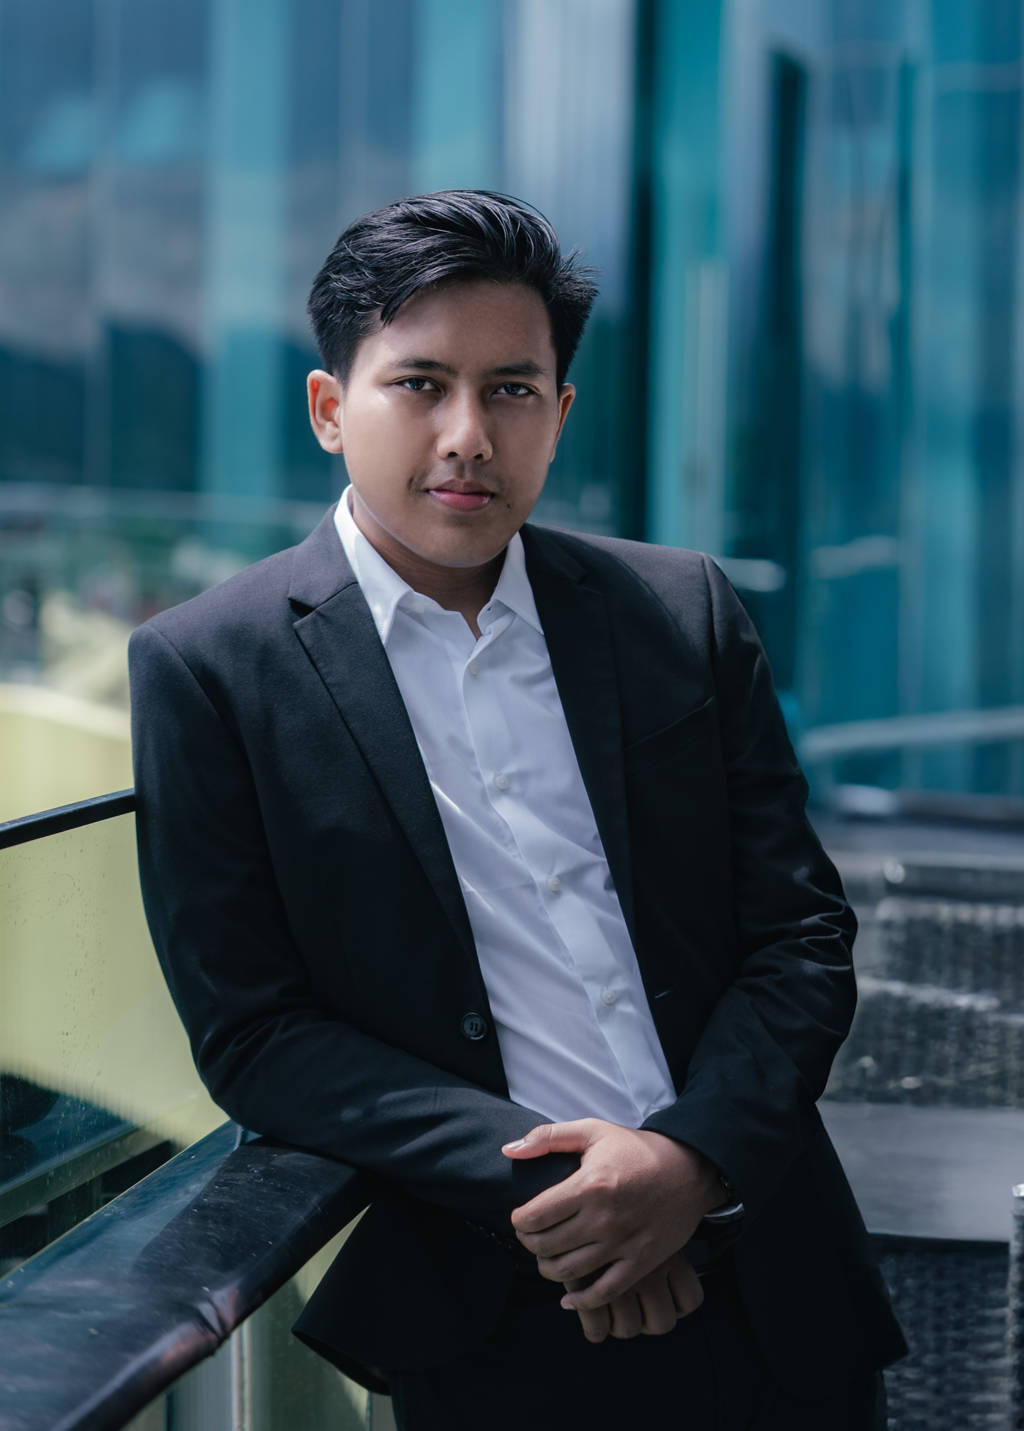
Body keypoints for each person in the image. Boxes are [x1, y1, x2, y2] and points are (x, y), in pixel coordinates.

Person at [129, 189, 906, 1429]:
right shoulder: (211, 667)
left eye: (509, 389)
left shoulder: (680, 611)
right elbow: (255, 1032)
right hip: (496, 1297)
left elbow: (800, 933)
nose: (467, 435)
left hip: (774, 1271)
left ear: (560, 412)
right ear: (329, 408)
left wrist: (687, 1160)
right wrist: (577, 1192)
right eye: (418, 384)